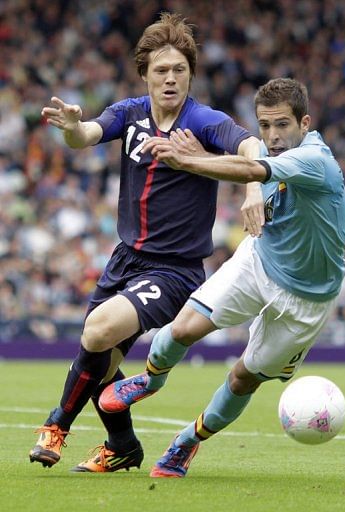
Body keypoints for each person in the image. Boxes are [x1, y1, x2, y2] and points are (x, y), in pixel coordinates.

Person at [29, 12, 261, 473]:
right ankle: (123, 447)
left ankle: (57, 425)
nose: (170, 79)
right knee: (100, 361)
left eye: (179, 70)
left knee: (96, 331)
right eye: (161, 71)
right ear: (145, 76)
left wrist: (254, 187)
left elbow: (251, 146)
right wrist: (73, 126)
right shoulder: (129, 112)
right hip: (125, 260)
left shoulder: (205, 121)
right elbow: (86, 135)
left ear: (191, 74)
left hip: (174, 271)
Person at [99, 77, 345, 478]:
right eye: (264, 126)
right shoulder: (277, 152)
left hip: (306, 299)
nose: (272, 136)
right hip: (257, 262)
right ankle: (150, 379)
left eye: (282, 125)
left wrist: (187, 161)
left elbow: (253, 167)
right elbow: (252, 171)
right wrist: (204, 157)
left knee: (243, 377)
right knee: (182, 330)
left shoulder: (315, 160)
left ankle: (187, 442)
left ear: (305, 123)